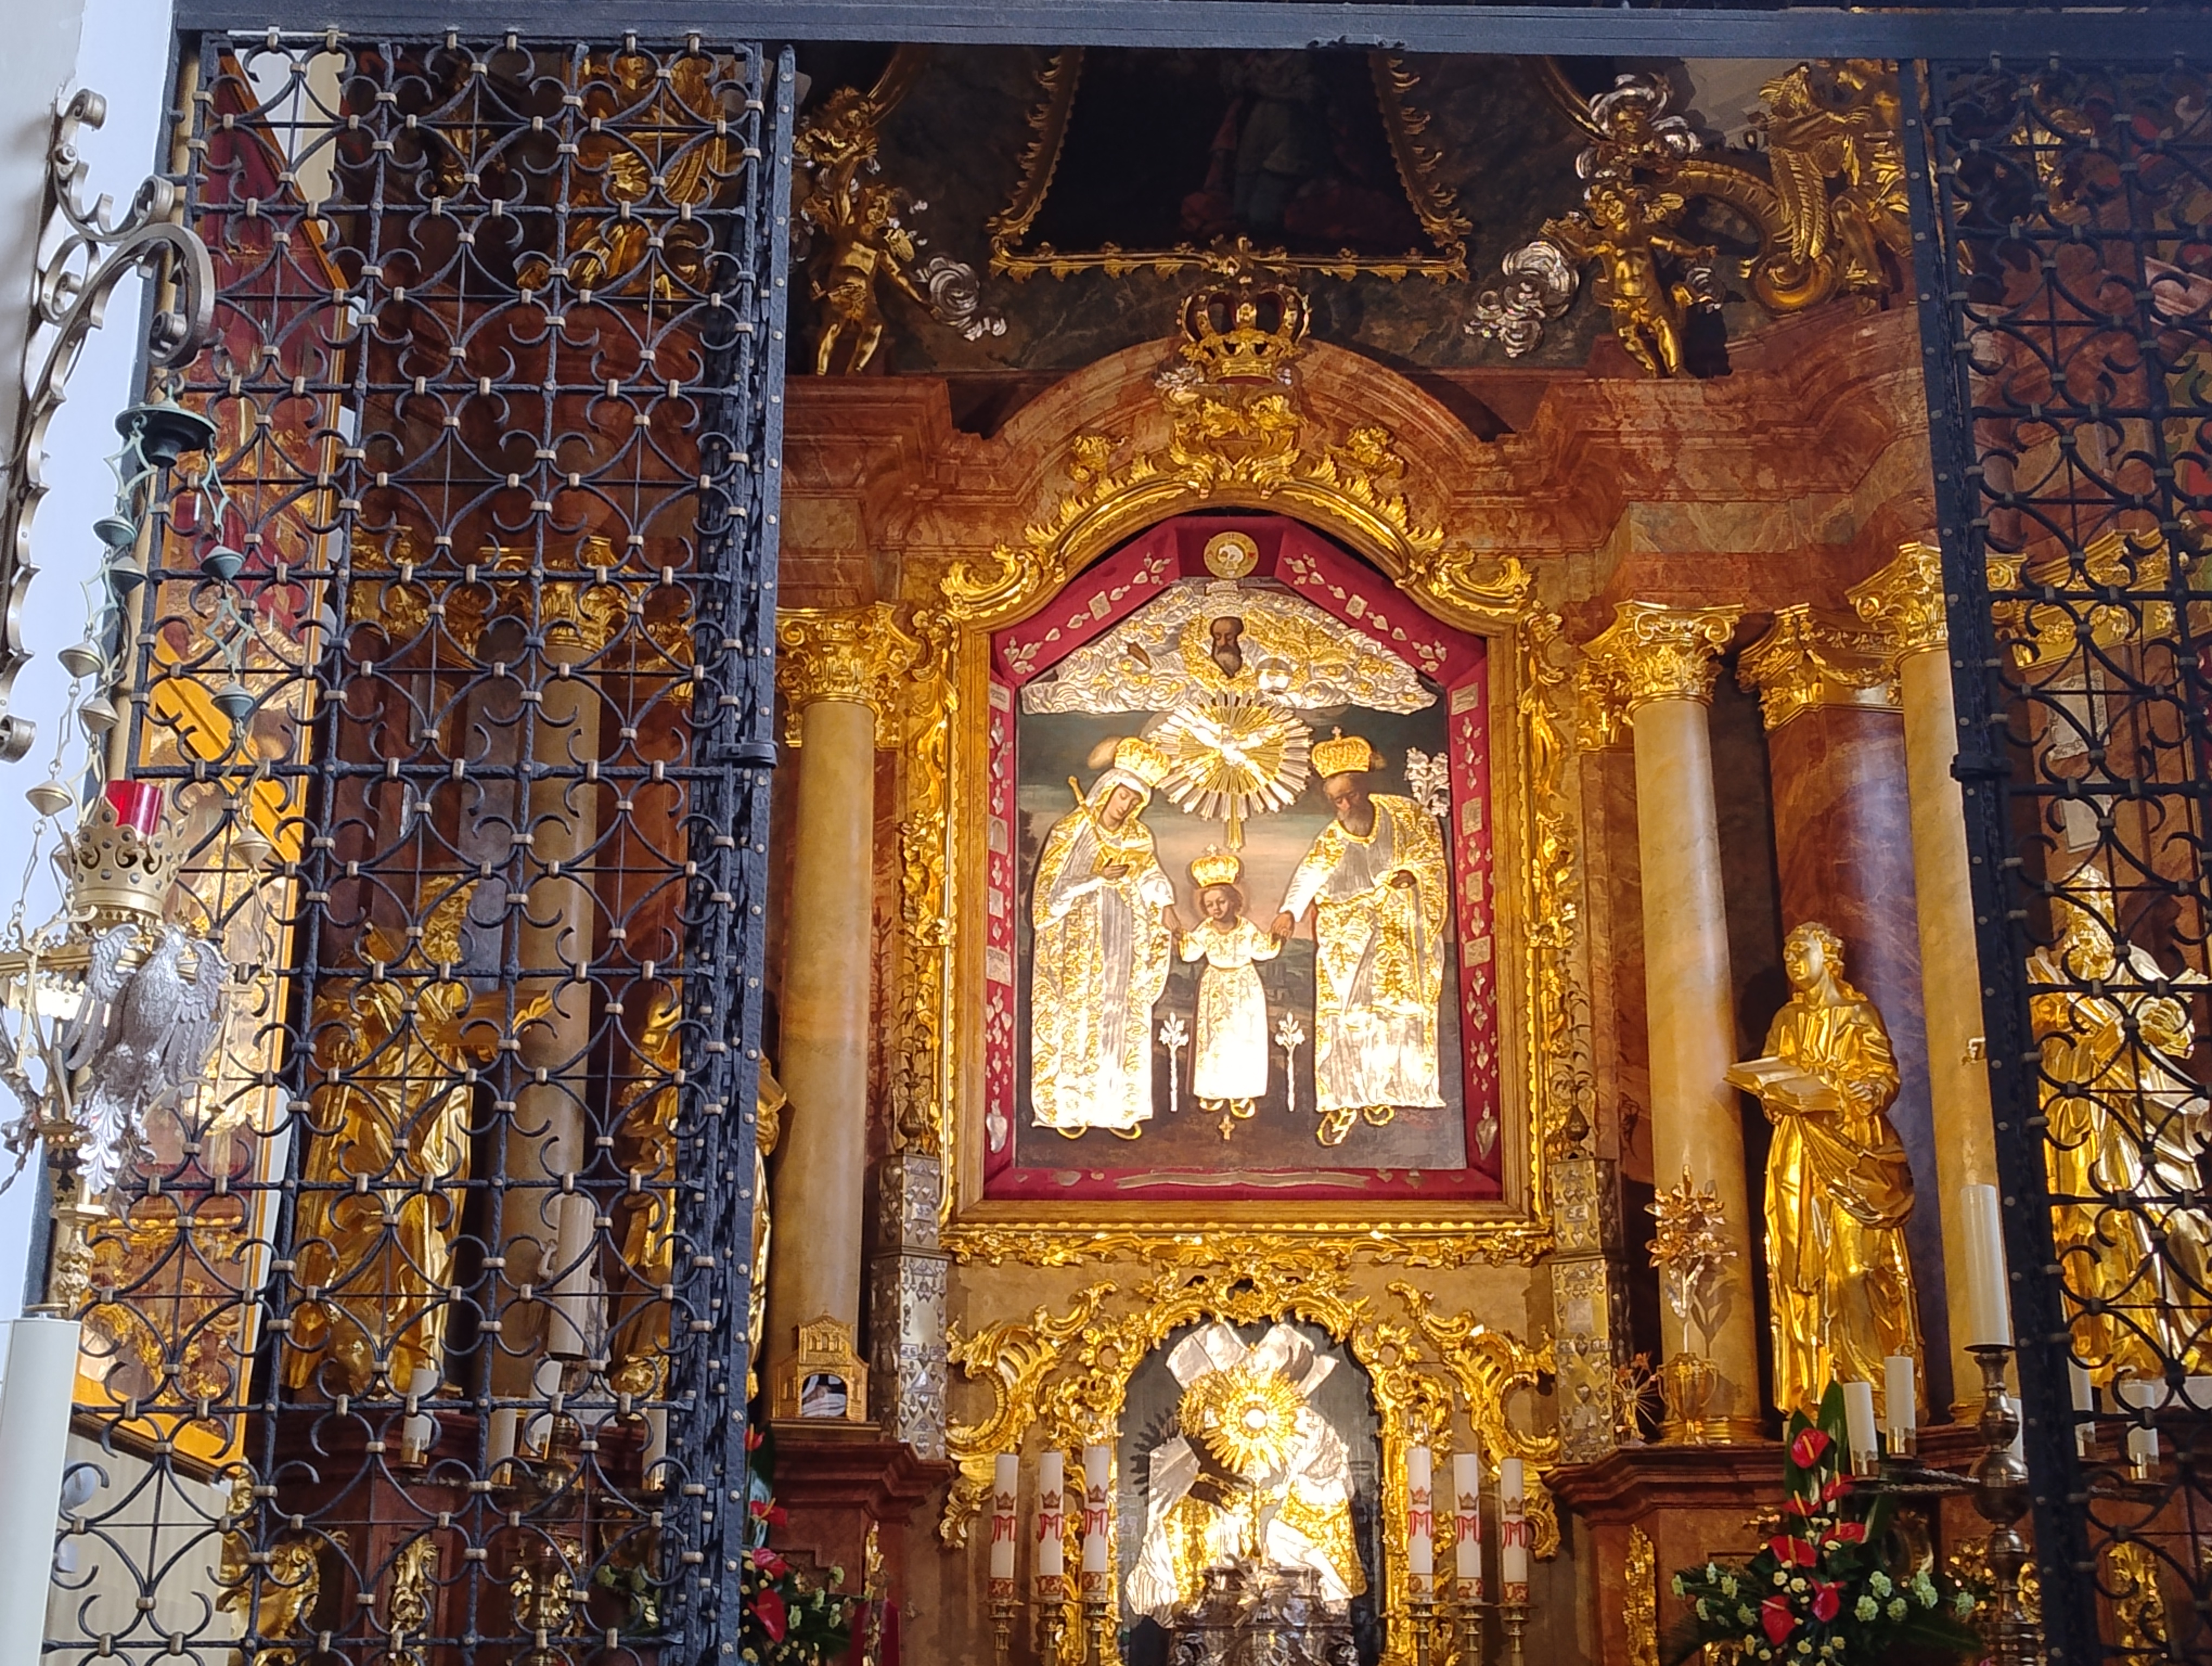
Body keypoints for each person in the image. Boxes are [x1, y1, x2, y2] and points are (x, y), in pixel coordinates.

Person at [1730, 921, 1922, 1420]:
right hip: (1798, 1147)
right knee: (1802, 1268)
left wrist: (1868, 1089)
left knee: (1857, 1269)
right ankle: (1813, 1396)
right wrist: (1776, 1095)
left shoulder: (1858, 1014)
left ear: (1830, 957)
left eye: (1803, 950)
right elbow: (1772, 1076)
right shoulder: (1787, 1019)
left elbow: (1884, 1074)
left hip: (1855, 1148)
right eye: (1788, 953)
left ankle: (1878, 1395)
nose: (1795, 961)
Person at [1271, 732, 1449, 1146]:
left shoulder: (1406, 816)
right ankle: (1347, 1098)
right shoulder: (1332, 839)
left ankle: (1392, 1090)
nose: (1346, 806)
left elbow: (1430, 859)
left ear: (1365, 786)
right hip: (1348, 940)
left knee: (1397, 1015)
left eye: (1350, 795)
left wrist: (1412, 876)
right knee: (1348, 1019)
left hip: (1400, 935)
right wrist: (1289, 911)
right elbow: (1308, 876)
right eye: (1338, 800)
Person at [1030, 734, 1181, 1138]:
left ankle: (1116, 1107)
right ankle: (1071, 1106)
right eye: (1123, 795)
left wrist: (1165, 903)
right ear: (1108, 789)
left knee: (1119, 1015)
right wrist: (1094, 878)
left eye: (1135, 800)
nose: (1126, 805)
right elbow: (1051, 892)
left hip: (1122, 934)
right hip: (1078, 937)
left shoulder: (1138, 837)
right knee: (1078, 1016)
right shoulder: (1072, 829)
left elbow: (1149, 875)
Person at [1179, 849, 1283, 1133]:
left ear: (1234, 901)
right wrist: (1180, 936)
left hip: (1245, 989)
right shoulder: (1205, 930)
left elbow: (1262, 951)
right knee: (1215, 1042)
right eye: (1209, 904)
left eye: (1221, 902)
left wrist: (1276, 937)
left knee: (1243, 1040)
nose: (1215, 908)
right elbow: (1190, 954)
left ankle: (1242, 1093)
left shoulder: (1246, 928)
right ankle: (1212, 1091)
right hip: (1215, 988)